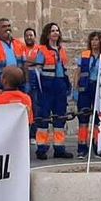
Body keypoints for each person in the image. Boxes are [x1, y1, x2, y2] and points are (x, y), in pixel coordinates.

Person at [32, 23, 72, 158]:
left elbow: (64, 69)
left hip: (60, 87)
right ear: (48, 34)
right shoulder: (42, 50)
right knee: (43, 119)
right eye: (52, 31)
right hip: (47, 88)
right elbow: (37, 71)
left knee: (60, 119)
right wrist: (39, 88)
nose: (55, 33)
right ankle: (41, 149)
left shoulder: (61, 50)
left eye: (57, 30)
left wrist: (67, 85)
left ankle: (59, 148)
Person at [75, 31, 101, 157]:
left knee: (98, 119)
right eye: (92, 40)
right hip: (85, 88)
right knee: (83, 119)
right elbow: (77, 71)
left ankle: (98, 145)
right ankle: (82, 147)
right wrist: (75, 87)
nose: (94, 42)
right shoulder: (84, 55)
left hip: (99, 88)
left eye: (97, 40)